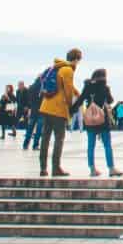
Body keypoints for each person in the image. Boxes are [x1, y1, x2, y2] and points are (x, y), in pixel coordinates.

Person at [39, 48, 82, 177]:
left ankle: (43, 168)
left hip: (46, 106)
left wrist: (77, 92)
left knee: (45, 138)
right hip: (58, 109)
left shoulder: (58, 67)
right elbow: (67, 90)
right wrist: (71, 105)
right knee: (59, 138)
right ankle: (56, 167)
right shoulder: (68, 70)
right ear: (76, 59)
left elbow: (65, 85)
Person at [77, 68, 122, 178]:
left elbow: (80, 99)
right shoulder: (105, 87)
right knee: (107, 144)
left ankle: (92, 169)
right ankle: (111, 168)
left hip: (90, 119)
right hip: (102, 119)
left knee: (91, 145)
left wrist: (70, 110)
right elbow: (111, 100)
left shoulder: (88, 86)